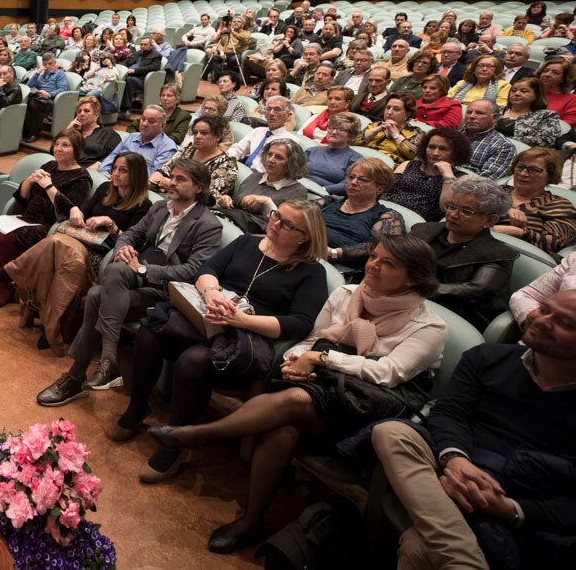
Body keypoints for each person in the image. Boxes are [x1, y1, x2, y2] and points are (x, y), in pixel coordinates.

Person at [151, 235, 447, 554]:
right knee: (284, 429)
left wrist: (320, 359)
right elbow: (311, 340)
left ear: (414, 278)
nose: (373, 265)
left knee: (295, 401)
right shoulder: (348, 294)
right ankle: (251, 522)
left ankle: (195, 433)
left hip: (368, 409)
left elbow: (388, 372)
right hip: (324, 387)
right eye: (374, 256)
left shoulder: (428, 327)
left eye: (388, 263)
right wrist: (295, 360)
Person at [114, 200, 329, 483]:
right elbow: (207, 269)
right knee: (149, 335)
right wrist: (212, 293)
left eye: (287, 224)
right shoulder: (246, 243)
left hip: (249, 336)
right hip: (211, 316)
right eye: (277, 216)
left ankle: (177, 439)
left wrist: (242, 320)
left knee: (194, 360)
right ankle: (137, 407)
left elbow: (300, 322)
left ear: (305, 237)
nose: (275, 224)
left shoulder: (311, 272)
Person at [370, 290, 576, 570]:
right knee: (392, 433)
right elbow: (450, 412)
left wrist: (510, 510)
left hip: (525, 497)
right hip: (459, 461)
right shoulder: (487, 357)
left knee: (419, 549)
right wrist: (455, 460)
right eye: (544, 309)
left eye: (564, 323)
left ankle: (462, 560)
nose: (541, 320)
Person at [36, 159, 224, 404]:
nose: (172, 183)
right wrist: (123, 249)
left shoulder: (209, 225)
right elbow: (133, 234)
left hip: (163, 291)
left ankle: (76, 376)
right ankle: (108, 363)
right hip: (132, 276)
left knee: (95, 295)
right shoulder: (160, 208)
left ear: (198, 188)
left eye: (180, 180)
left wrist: (144, 270)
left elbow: (192, 271)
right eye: (173, 177)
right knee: (115, 270)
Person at [0, 154, 153, 350]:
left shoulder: (143, 206)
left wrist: (110, 224)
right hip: (77, 240)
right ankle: (52, 328)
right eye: (114, 168)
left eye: (123, 170)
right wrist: (78, 215)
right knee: (63, 252)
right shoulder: (105, 189)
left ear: (136, 175)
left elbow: (131, 243)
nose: (115, 173)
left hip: (102, 253)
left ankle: (9, 271)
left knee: (60, 249)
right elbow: (82, 212)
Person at [0, 129, 93, 307]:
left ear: (76, 149)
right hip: (28, 217)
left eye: (65, 145)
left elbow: (69, 211)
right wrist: (30, 180)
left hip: (49, 225)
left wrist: (48, 186)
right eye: (56, 144)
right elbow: (22, 197)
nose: (59, 149)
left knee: (5, 237)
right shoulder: (48, 165)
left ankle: (10, 285)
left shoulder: (81, 177)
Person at [409, 176, 518, 329]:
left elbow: (477, 291)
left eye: (466, 211)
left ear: (491, 220)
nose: (453, 215)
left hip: (456, 318)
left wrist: (414, 287)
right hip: (408, 302)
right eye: (452, 206)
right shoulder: (423, 230)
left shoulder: (498, 253)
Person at [313, 158, 404, 270]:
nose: (353, 182)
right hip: (306, 252)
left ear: (379, 189)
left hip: (343, 268)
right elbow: (297, 214)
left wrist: (334, 252)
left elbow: (379, 248)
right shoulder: (330, 201)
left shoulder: (387, 216)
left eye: (363, 180)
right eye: (351, 177)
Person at [491, 148, 576, 256]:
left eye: (534, 170)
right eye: (520, 167)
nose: (523, 173)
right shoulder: (498, 191)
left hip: (521, 259)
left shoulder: (559, 205)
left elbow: (557, 243)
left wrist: (518, 233)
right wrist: (505, 208)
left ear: (550, 175)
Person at [216, 139, 311, 229]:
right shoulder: (254, 177)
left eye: (279, 157)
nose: (271, 160)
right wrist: (226, 200)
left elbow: (284, 227)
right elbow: (236, 203)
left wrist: (267, 202)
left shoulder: (298, 191)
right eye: (269, 154)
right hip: (231, 218)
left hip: (254, 231)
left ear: (292, 163)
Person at [388, 126, 471, 223]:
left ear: (456, 153)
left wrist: (447, 174)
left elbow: (447, 208)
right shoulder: (407, 165)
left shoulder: (461, 178)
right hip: (386, 212)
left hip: (418, 226)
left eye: (443, 149)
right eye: (431, 147)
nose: (435, 153)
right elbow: (385, 191)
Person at [152, 115, 239, 201]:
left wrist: (171, 184)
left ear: (218, 136)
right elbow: (165, 169)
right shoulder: (189, 149)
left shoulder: (227, 163)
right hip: (171, 195)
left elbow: (210, 196)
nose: (197, 136)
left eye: (204, 133)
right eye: (195, 133)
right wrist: (155, 179)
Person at [228, 96, 310, 172]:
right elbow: (238, 149)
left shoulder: (290, 140)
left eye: (277, 109)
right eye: (268, 109)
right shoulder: (257, 131)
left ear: (288, 115)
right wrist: (224, 159)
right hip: (245, 170)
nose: (271, 113)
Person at [95, 104, 177, 175]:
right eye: (143, 119)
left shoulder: (168, 147)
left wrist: (119, 178)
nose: (145, 124)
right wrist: (105, 174)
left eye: (151, 121)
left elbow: (152, 175)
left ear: (162, 125)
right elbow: (111, 158)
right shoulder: (131, 137)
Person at [306, 111, 363, 196]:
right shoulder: (311, 151)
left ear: (352, 136)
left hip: (326, 195)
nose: (334, 132)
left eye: (341, 129)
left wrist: (322, 190)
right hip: (299, 188)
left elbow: (348, 183)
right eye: (332, 127)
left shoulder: (355, 158)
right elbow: (294, 172)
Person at [496, 76, 564, 147]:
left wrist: (503, 140)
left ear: (537, 95)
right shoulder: (497, 109)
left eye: (524, 91)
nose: (517, 93)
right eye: (513, 90)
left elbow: (546, 140)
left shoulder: (547, 116)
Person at [355, 93, 423, 161]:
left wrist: (396, 135)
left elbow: (415, 156)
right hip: (361, 162)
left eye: (396, 109)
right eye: (388, 108)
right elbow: (352, 142)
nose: (389, 112)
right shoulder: (375, 125)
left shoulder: (415, 133)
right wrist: (376, 130)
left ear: (407, 114)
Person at [462, 100, 517, 180]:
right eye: (469, 112)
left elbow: (485, 182)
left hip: (465, 188)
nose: (472, 116)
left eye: (479, 113)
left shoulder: (503, 146)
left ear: (494, 118)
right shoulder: (452, 136)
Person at [64, 96, 121, 167]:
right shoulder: (74, 133)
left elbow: (117, 155)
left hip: (90, 171)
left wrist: (99, 163)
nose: (81, 114)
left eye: (86, 111)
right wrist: (67, 130)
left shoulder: (108, 133)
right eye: (79, 111)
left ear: (96, 115)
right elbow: (54, 150)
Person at [23, 53, 68, 141]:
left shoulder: (60, 74)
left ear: (55, 63)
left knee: (33, 104)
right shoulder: (40, 74)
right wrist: (37, 72)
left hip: (52, 99)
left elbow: (62, 89)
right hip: (39, 98)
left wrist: (49, 94)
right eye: (45, 64)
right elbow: (28, 86)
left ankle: (33, 133)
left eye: (50, 64)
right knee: (25, 102)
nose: (47, 66)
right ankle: (27, 131)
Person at [120, 35, 162, 119]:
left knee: (129, 80)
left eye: (145, 44)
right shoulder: (138, 53)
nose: (143, 46)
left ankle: (127, 108)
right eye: (141, 44)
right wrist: (123, 67)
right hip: (130, 74)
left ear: (151, 45)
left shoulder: (156, 55)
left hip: (142, 78)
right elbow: (128, 61)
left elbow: (153, 67)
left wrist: (135, 71)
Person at [535, 58, 576, 126]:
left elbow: (566, 126)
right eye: (545, 71)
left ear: (563, 78)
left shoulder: (572, 100)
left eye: (555, 72)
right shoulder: (529, 93)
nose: (547, 74)